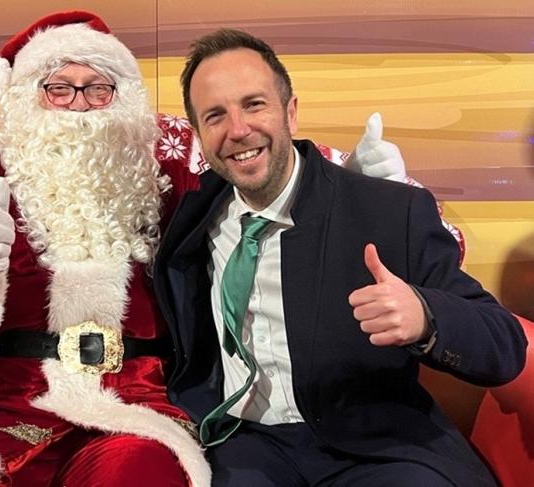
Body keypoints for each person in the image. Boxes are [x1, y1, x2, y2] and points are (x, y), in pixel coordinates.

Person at [0, 11, 431, 487]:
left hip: (129, 400)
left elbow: (261, 203)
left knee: (143, 473)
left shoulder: (164, 177)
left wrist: (350, 193)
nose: (79, 105)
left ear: (122, 99)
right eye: (59, 88)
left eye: (98, 89)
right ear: (26, 97)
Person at [152, 28, 528, 487]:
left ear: (290, 110)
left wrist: (426, 316)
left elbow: (505, 348)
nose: (237, 130)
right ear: (198, 134)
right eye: (215, 115)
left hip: (377, 448)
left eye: (254, 104)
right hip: (245, 444)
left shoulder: (386, 210)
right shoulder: (190, 219)